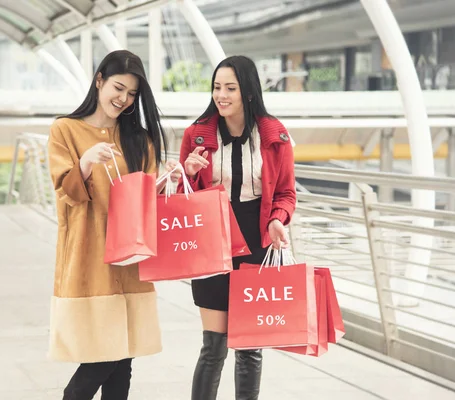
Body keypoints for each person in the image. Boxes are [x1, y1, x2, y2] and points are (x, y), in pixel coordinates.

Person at [47, 50, 180, 400]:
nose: (123, 99)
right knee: (101, 358)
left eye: (132, 94)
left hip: (132, 263)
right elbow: (65, 192)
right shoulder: (66, 130)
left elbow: (148, 199)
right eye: (118, 88)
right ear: (99, 80)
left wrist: (177, 178)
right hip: (90, 260)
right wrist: (87, 162)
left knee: (122, 362)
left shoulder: (140, 139)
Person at [178, 55, 297, 400]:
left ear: (248, 91)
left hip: (256, 240)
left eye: (230, 87)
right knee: (213, 346)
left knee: (249, 347)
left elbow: (287, 192)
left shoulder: (274, 136)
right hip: (212, 242)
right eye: (217, 87)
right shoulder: (197, 134)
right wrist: (188, 170)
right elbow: (183, 196)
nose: (221, 95)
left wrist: (278, 219)